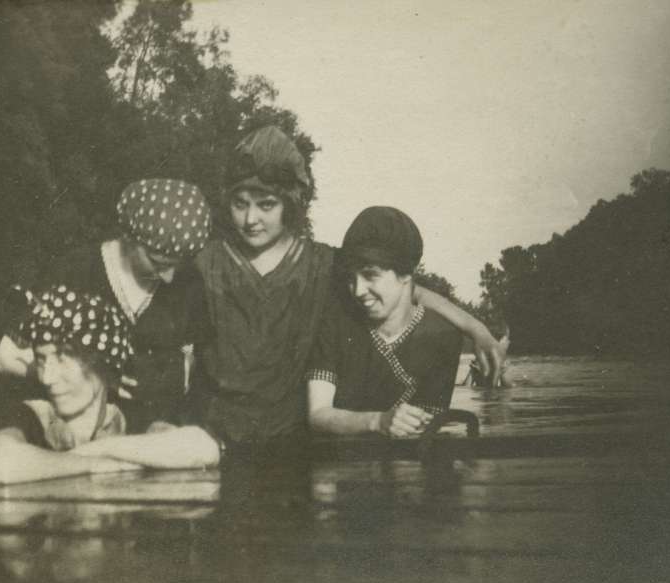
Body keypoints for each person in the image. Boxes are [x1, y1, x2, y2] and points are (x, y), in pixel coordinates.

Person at [189, 125, 506, 444]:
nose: (250, 219)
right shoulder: (207, 263)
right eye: (240, 204)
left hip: (290, 435)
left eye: (266, 205)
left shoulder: (321, 263)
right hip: (212, 431)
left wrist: (476, 330)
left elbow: (412, 290)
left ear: (290, 203)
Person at [0, 178, 211, 432]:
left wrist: (175, 374)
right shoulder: (76, 270)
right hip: (73, 425)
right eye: (157, 262)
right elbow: (5, 357)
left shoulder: (187, 282)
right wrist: (96, 376)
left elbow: (197, 359)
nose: (169, 276)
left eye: (178, 263)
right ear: (130, 237)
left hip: (149, 431)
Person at [0, 285, 221, 485]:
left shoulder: (128, 417)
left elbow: (203, 449)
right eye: (42, 360)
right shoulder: (32, 416)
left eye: (63, 359)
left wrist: (95, 449)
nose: (47, 377)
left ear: (104, 363)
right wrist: (93, 465)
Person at [307, 206, 464, 437]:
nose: (358, 290)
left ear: (406, 274)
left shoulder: (444, 337)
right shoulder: (335, 323)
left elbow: (426, 426)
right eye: (351, 278)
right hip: (332, 463)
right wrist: (377, 421)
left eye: (370, 275)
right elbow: (317, 415)